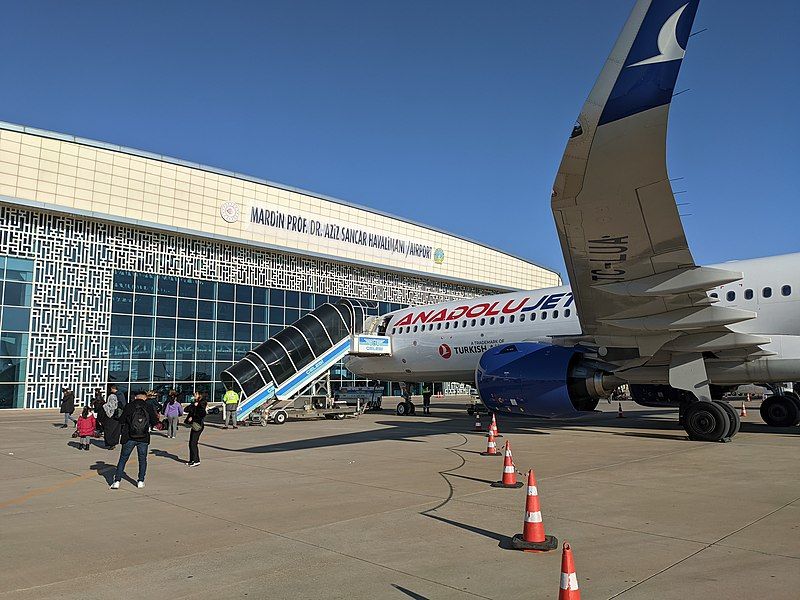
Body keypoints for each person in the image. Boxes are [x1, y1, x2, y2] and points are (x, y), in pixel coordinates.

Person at [110, 392, 157, 489]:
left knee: (123, 459)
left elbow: (121, 420)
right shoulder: (148, 406)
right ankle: (140, 481)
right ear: (145, 398)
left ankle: (117, 481)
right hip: (143, 438)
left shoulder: (129, 406)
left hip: (128, 437)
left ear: (136, 397)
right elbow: (155, 422)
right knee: (142, 459)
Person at [185, 391, 207, 467]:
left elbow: (202, 414)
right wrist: (193, 405)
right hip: (194, 425)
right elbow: (186, 409)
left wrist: (193, 417)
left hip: (198, 425)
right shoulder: (195, 403)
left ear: (199, 395)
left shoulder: (202, 403)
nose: (194, 396)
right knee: (191, 443)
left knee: (193, 443)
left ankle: (196, 460)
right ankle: (192, 460)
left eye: (196, 394)